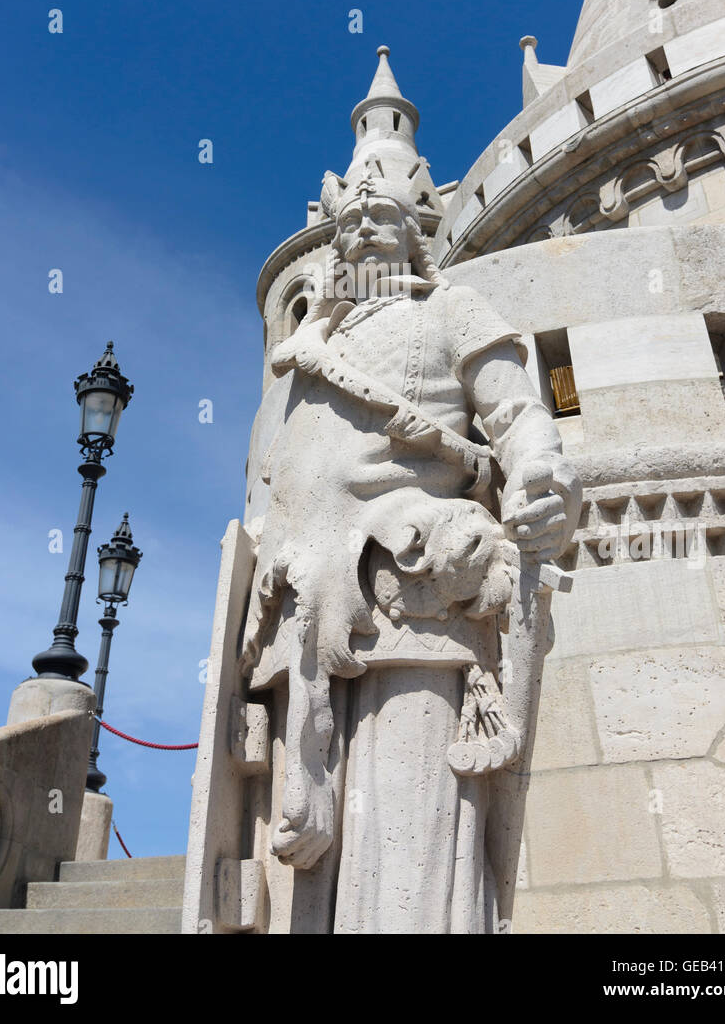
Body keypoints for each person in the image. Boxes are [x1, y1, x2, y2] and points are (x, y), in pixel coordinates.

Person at [240, 164, 581, 933]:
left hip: (415, 599)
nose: (360, 227)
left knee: (409, 831)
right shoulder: (306, 353)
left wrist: (540, 474)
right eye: (348, 222)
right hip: (304, 612)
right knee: (308, 854)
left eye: (381, 218)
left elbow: (520, 413)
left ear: (415, 240)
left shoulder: (451, 309)